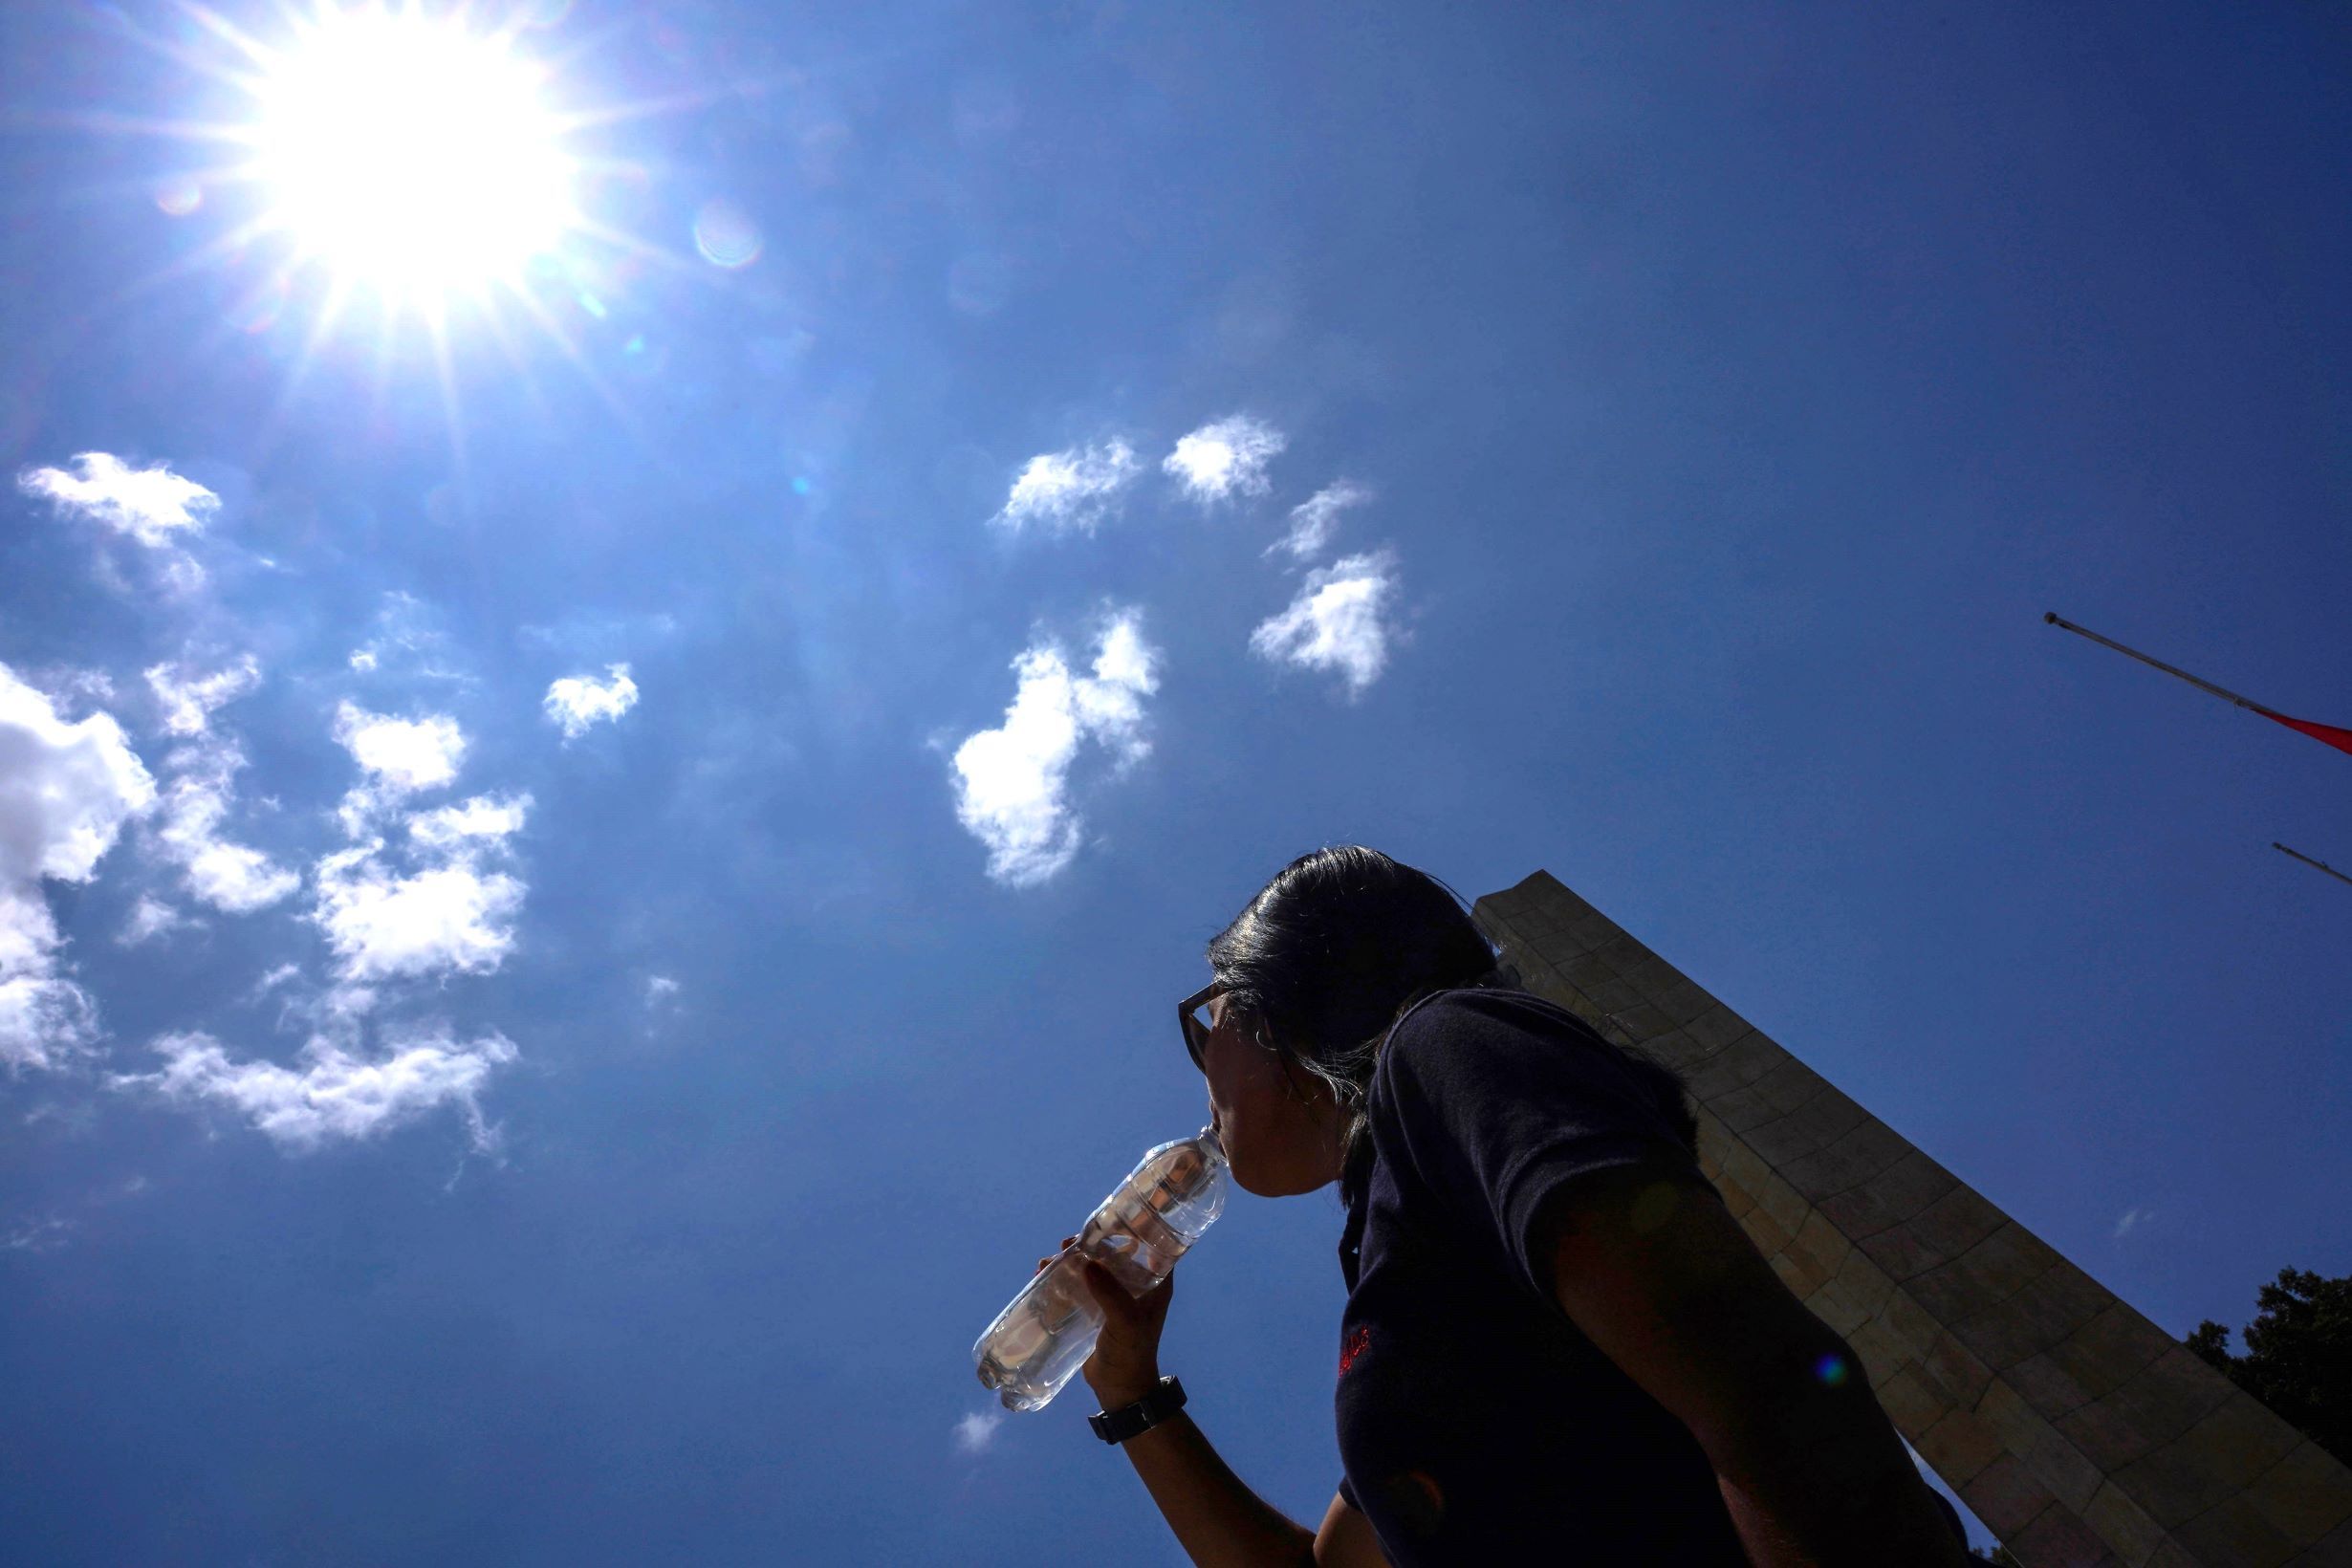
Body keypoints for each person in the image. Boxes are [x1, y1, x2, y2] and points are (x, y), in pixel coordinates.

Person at [1034, 846, 1973, 1566]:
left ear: (1275, 1001)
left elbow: (1764, 1385)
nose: (1204, 1075)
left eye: (1208, 1026)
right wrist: (1130, 1389)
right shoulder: (1396, 1243)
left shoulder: (1446, 1048)